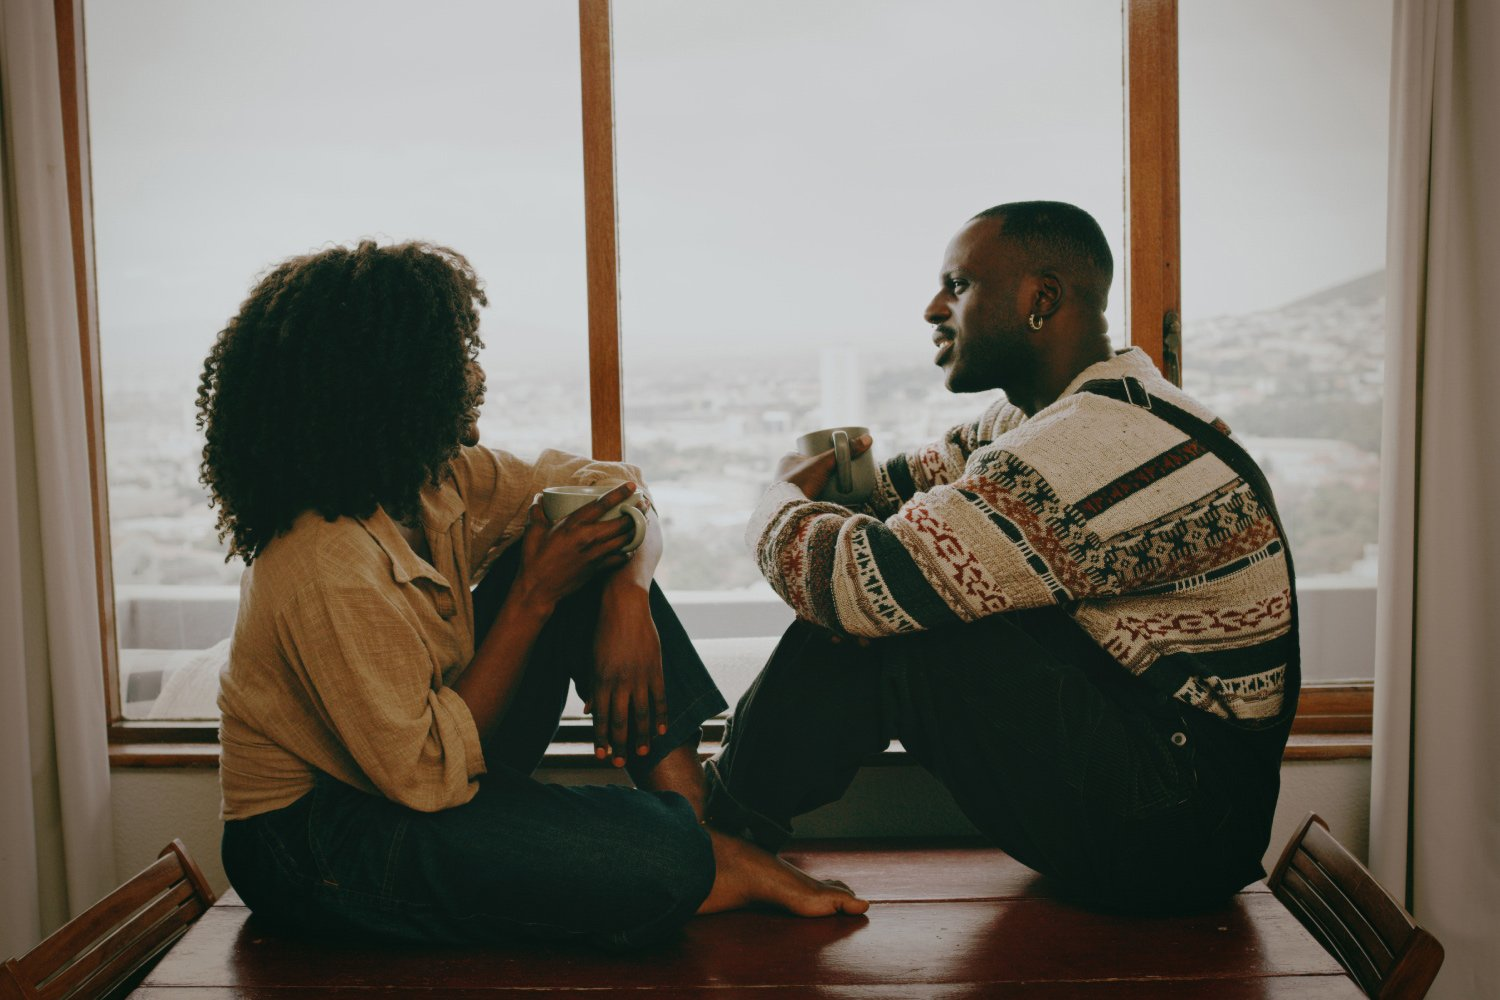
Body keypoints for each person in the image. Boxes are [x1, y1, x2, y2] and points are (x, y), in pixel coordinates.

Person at [202, 240, 867, 952]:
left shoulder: (436, 481)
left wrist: (627, 598)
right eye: (455, 355)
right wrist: (530, 595)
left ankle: (699, 819)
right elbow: (424, 781)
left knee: (583, 535)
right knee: (656, 864)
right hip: (317, 840)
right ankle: (697, 850)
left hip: (435, 768)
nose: (476, 374)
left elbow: (614, 489)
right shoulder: (320, 561)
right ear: (387, 383)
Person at [706, 202, 1301, 911]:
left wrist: (776, 500)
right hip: (1164, 790)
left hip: (1183, 827)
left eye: (957, 285)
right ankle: (716, 830)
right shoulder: (1039, 419)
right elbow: (897, 497)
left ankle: (710, 835)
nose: (932, 307)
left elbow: (860, 581)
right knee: (901, 594)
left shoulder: (1106, 440)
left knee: (898, 620)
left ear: (1040, 299)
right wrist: (848, 503)